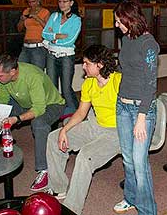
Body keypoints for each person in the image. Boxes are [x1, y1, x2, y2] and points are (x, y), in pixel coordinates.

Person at [0, 53, 68, 191]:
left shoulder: (32, 76)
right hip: (25, 103)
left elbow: (39, 109)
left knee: (38, 124)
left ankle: (44, 170)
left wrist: (17, 119)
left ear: (12, 71)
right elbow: (1, 100)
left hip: (51, 105)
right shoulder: (5, 79)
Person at [45, 45, 121, 214]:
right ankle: (59, 187)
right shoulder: (89, 83)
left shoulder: (118, 81)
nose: (83, 67)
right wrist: (64, 130)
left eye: (87, 63)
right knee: (53, 137)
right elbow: (81, 112)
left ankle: (72, 209)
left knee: (85, 156)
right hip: (95, 125)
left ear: (100, 64)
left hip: (116, 132)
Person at [113, 1, 160, 215]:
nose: (116, 25)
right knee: (128, 158)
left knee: (140, 162)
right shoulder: (126, 38)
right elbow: (126, 69)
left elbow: (151, 83)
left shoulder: (148, 44)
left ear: (129, 19)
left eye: (118, 20)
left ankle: (147, 211)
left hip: (143, 110)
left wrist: (141, 116)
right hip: (122, 105)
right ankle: (130, 198)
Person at [42, 0, 81, 115]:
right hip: (51, 55)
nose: (62, 4)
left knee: (66, 88)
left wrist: (53, 39)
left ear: (71, 3)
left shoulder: (76, 19)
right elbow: (44, 33)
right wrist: (57, 36)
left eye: (65, 1)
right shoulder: (54, 16)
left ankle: (75, 114)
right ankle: (54, 113)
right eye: (60, 1)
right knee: (52, 86)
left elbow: (70, 40)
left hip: (66, 57)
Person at [17, 0, 50, 70]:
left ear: (38, 0)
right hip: (26, 47)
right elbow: (19, 29)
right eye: (29, 2)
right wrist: (21, 20)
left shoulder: (45, 12)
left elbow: (48, 30)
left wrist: (37, 18)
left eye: (33, 1)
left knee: (37, 72)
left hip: (38, 47)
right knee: (21, 70)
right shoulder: (26, 11)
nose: (31, 4)